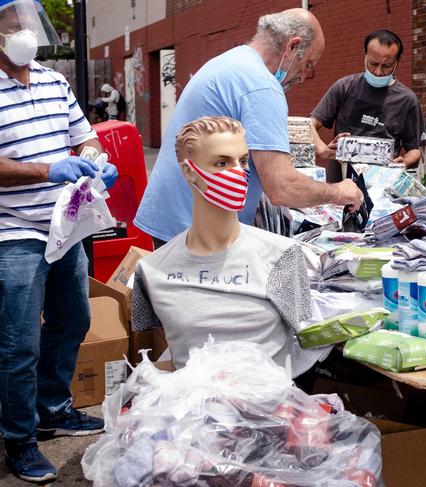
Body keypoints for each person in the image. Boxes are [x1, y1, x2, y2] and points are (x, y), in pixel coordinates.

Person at [0, 0, 118, 482]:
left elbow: (85, 136)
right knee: (18, 342)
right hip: (13, 230)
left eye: (28, 23)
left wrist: (94, 159)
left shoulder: (53, 79)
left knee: (73, 318)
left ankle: (52, 408)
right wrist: (49, 169)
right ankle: (19, 439)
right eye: (13, 26)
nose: (25, 33)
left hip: (62, 226)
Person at [134, 9, 363, 247]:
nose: (303, 77)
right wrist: (338, 192)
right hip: (195, 229)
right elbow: (281, 187)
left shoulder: (233, 61)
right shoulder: (261, 86)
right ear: (292, 47)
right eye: (307, 65)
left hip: (177, 217)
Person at [131, 116, 318, 376]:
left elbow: (307, 341)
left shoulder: (283, 255)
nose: (238, 173)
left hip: (269, 408)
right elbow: (157, 347)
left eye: (242, 161)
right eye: (222, 163)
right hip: (190, 408)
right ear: (189, 172)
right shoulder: (151, 271)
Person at [310, 29, 426, 183]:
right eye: (373, 63)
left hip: (381, 185)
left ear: (397, 62)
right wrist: (322, 149)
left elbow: (416, 148)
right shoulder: (345, 87)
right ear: (365, 55)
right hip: (339, 183)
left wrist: (404, 162)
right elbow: (310, 124)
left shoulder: (407, 100)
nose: (378, 72)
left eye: (386, 66)